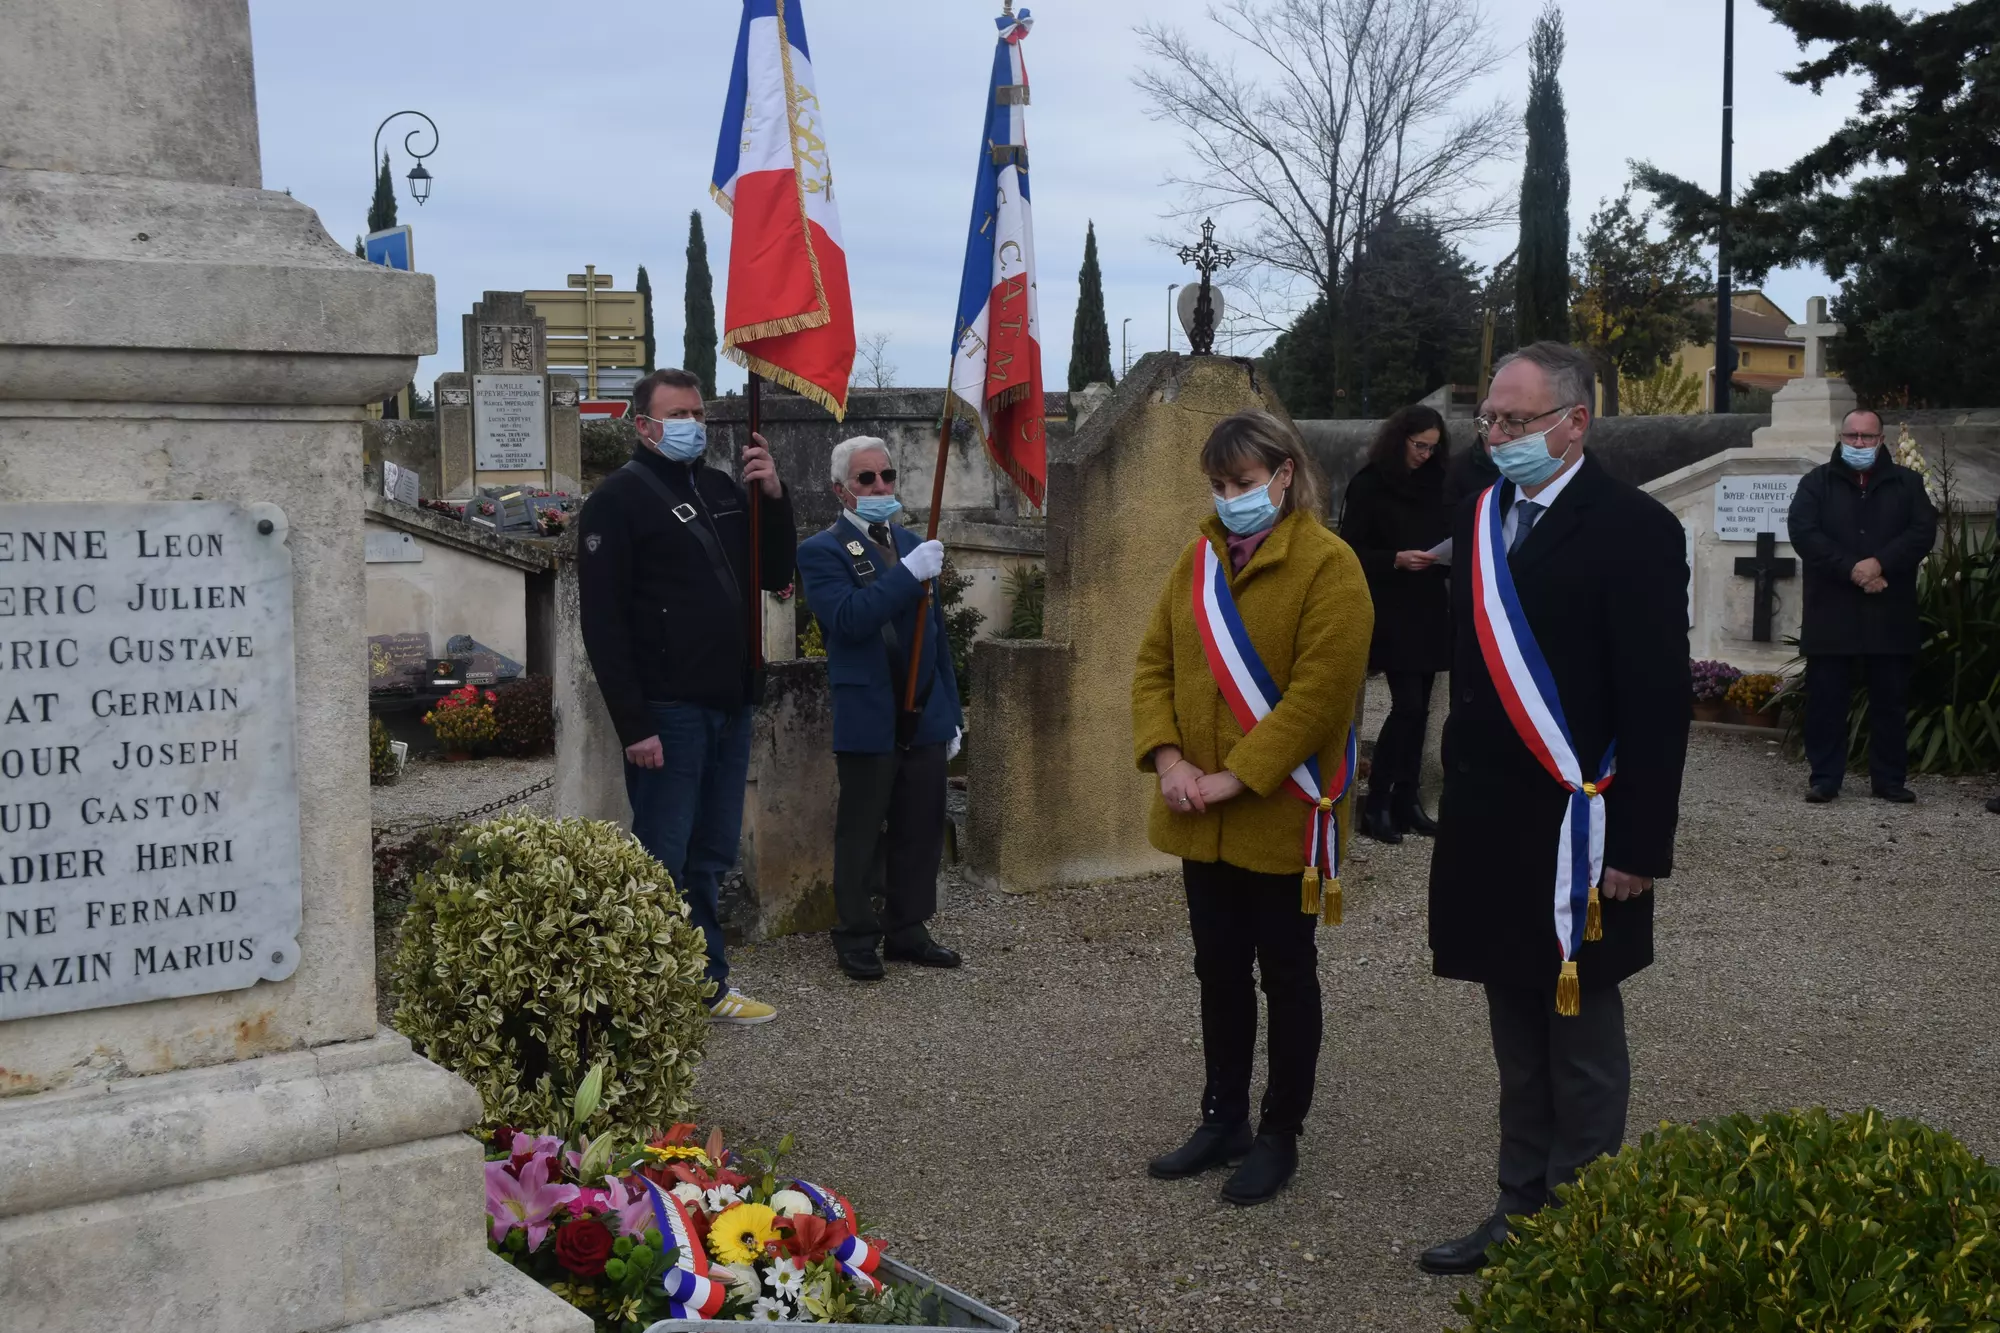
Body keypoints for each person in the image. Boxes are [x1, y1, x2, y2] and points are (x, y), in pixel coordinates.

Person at [1419, 342, 1691, 1275]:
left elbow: (1658, 705)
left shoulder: (1636, 529)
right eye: (1489, 419)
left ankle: (1584, 1222)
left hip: (1586, 826)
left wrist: (1641, 846)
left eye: (1515, 421)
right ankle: (1518, 1203)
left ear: (1575, 422)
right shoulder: (1479, 515)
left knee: (1581, 1039)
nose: (1495, 436)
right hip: (1492, 821)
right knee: (1514, 1032)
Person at [1132, 410, 1372, 1207]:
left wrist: (1235, 775)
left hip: (1279, 812)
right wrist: (1167, 756)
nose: (1230, 496)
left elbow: (1321, 696)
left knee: (1288, 975)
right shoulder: (1196, 560)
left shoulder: (1330, 567)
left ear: (1283, 475)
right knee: (1217, 970)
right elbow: (1154, 664)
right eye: (1219, 484)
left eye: (1242, 482)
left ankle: (1280, 1132)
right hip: (1200, 811)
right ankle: (1222, 1114)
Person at [576, 368, 797, 1026]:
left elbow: (778, 573)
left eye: (698, 413)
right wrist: (633, 722)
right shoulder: (616, 501)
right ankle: (647, 989)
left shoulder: (724, 489)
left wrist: (776, 496)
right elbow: (603, 622)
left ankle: (705, 980)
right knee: (661, 857)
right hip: (667, 711)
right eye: (677, 414)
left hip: (729, 701)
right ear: (643, 424)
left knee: (711, 853)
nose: (692, 425)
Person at [796, 436, 965, 982]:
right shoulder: (821, 551)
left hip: (923, 708)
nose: (880, 488)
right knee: (863, 828)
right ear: (841, 489)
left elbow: (934, 635)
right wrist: (907, 574)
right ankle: (857, 933)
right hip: (870, 709)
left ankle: (908, 927)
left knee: (920, 824)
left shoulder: (912, 542)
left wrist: (951, 709)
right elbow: (848, 619)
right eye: (866, 479)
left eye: (887, 476)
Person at [1787, 409, 1938, 804]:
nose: (1858, 443)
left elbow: (1922, 532)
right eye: (1851, 436)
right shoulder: (1816, 483)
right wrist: (1852, 570)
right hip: (1831, 610)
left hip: (1889, 610)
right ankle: (1825, 778)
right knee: (1826, 699)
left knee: (1890, 699)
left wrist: (1879, 563)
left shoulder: (1908, 483)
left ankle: (1889, 780)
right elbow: (1804, 533)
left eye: (1866, 437)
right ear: (1840, 437)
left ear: (1881, 440)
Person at [1339, 405, 1454, 844]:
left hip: (1427, 605)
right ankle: (1379, 801)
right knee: (1406, 706)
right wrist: (1395, 559)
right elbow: (1348, 552)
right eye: (1418, 445)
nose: (1425, 455)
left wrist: (1443, 558)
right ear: (1399, 439)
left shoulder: (1436, 485)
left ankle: (1407, 802)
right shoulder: (1369, 485)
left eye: (1432, 447)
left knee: (1421, 712)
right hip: (1388, 606)